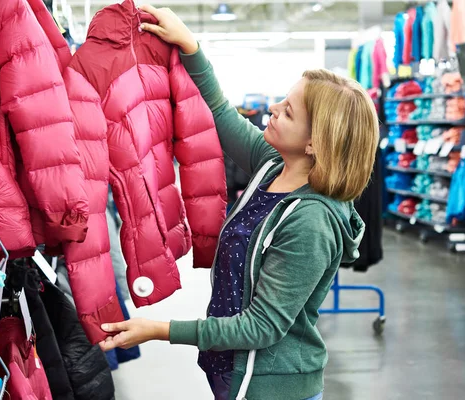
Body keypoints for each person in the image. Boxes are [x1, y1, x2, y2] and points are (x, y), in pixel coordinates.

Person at [99, 4, 379, 400]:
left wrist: (161, 330)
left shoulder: (310, 222)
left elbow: (261, 327)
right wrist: (191, 46)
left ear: (315, 143)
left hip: (271, 386)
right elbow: (219, 111)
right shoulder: (271, 166)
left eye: (288, 111)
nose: (274, 110)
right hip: (233, 371)